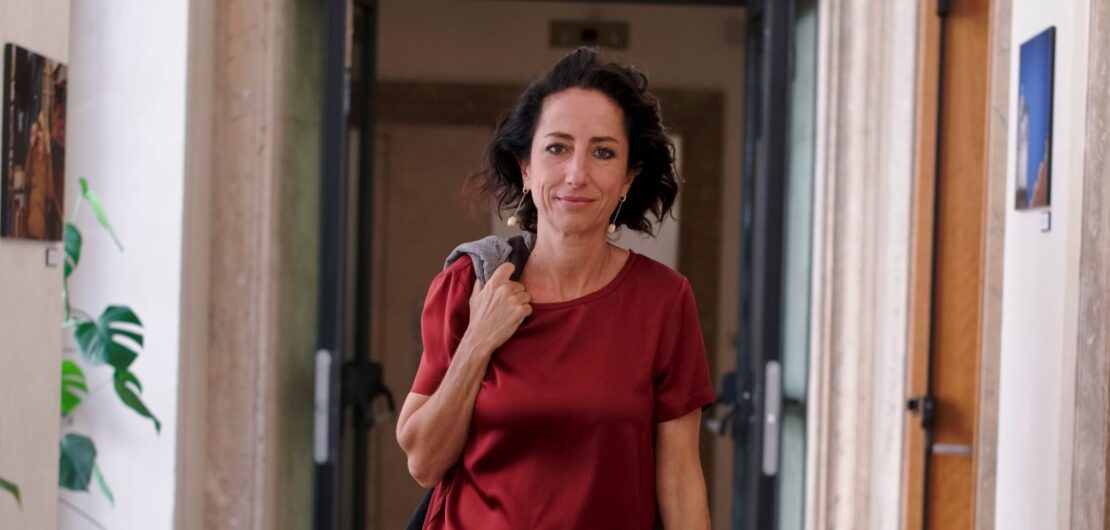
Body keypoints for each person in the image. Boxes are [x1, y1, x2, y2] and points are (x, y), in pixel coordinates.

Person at [396, 47, 715, 530]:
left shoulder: (663, 301)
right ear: (526, 167)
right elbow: (423, 462)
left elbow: (680, 481)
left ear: (628, 177)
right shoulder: (469, 284)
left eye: (603, 152)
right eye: (557, 148)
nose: (576, 174)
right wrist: (478, 341)